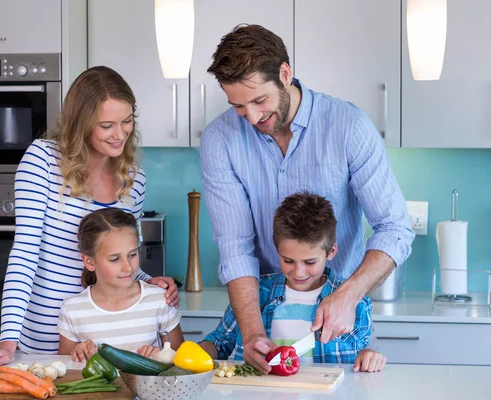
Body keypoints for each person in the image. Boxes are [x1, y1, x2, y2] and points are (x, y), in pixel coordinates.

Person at [199, 24, 414, 373]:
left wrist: (347, 296)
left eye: (259, 100)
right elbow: (235, 246)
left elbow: (395, 228)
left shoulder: (348, 126)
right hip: (261, 313)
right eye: (238, 107)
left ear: (285, 74)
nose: (252, 118)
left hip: (340, 321)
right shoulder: (219, 140)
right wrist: (252, 331)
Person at [0, 66, 179, 370]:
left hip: (102, 339)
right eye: (107, 125)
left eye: (127, 121)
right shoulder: (43, 161)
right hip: (46, 334)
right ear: (82, 125)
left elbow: (116, 253)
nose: (120, 134)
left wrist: (149, 281)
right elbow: (25, 253)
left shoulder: (133, 178)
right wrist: (8, 340)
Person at [200, 192, 386, 373]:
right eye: (288, 261)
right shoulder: (252, 294)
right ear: (277, 249)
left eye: (310, 262)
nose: (298, 272)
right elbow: (218, 343)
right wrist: (192, 355)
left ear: (331, 251)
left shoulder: (356, 304)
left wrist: (369, 357)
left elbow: (366, 352)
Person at [58, 208, 184, 361]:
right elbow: (64, 368)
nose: (128, 267)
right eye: (114, 259)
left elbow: (181, 362)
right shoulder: (72, 309)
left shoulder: (159, 300)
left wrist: (158, 357)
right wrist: (78, 352)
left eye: (132, 254)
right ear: (89, 262)